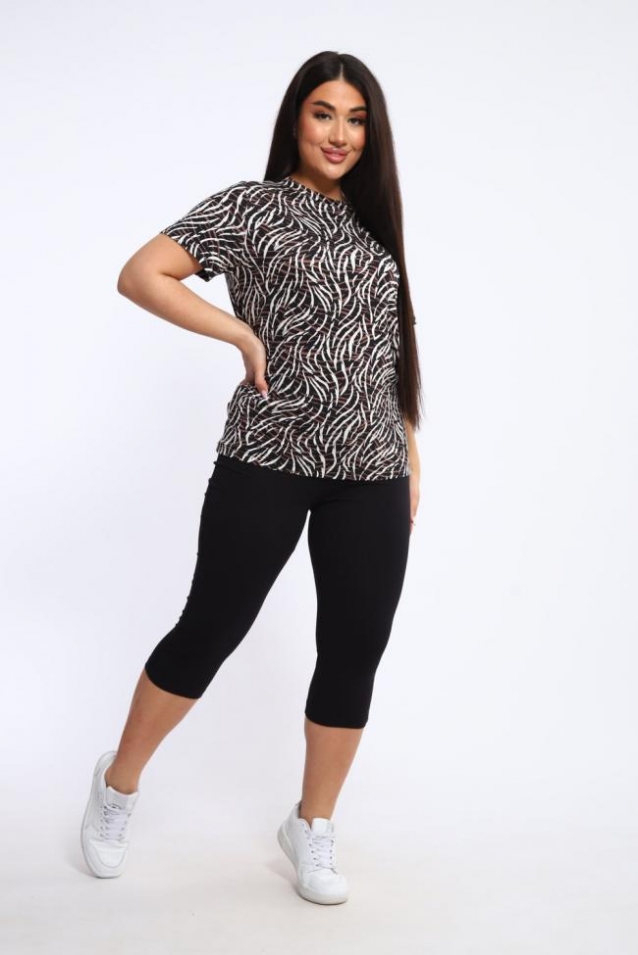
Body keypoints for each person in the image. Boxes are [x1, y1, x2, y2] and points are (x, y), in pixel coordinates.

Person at [81, 50, 423, 906]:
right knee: (211, 626)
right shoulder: (251, 206)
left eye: (356, 119)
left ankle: (313, 824)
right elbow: (141, 273)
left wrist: (409, 447)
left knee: (354, 646)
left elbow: (390, 342)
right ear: (296, 118)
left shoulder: (375, 223)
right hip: (267, 453)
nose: (340, 134)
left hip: (370, 467)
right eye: (324, 113)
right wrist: (239, 334)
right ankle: (117, 784)